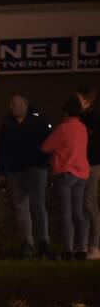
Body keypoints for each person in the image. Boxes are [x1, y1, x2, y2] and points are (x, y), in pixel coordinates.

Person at [0, 94, 52, 259]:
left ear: (25, 104)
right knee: (21, 208)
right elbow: (1, 149)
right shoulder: (7, 124)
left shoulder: (38, 122)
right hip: (15, 171)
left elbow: (48, 144)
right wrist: (1, 172)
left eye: (14, 103)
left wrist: (42, 163)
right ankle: (27, 244)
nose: (11, 107)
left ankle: (43, 242)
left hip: (35, 169)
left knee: (38, 205)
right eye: (10, 103)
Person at [42, 96, 90, 260]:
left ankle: (68, 249)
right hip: (82, 174)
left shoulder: (62, 128)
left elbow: (45, 147)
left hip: (65, 172)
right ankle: (82, 249)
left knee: (66, 213)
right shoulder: (82, 128)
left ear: (66, 112)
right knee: (78, 213)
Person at [77, 86, 100, 259]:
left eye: (77, 99)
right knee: (83, 205)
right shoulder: (82, 117)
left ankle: (94, 246)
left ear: (86, 101)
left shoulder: (93, 118)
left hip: (91, 165)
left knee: (89, 204)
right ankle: (84, 245)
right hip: (83, 165)